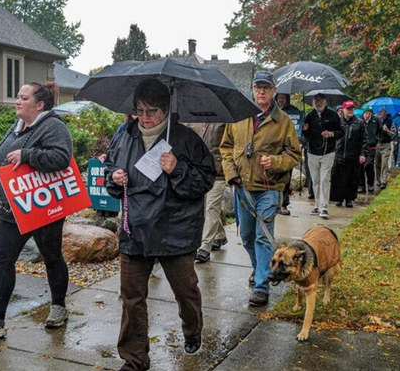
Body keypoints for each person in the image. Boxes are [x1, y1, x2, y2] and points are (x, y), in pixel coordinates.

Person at [104, 78, 215, 370]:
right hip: (134, 229)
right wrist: (114, 178)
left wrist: (177, 168)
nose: (145, 117)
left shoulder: (186, 140)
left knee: (185, 291)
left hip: (174, 230)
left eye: (152, 110)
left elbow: (205, 180)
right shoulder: (123, 135)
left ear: (166, 110)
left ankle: (192, 330)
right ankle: (135, 359)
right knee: (131, 298)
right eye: (140, 110)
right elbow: (109, 173)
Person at [0, 82, 73, 337]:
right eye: (18, 97)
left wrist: (28, 155)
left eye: (23, 98)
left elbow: (61, 158)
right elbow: (4, 153)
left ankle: (58, 307)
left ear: (39, 105)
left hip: (42, 207)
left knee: (52, 257)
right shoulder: (18, 126)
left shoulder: (54, 126)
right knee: (4, 260)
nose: (17, 102)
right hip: (13, 208)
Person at [220, 71, 302, 307]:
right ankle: (260, 269)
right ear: (252, 89)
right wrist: (231, 174)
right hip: (243, 187)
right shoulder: (238, 117)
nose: (262, 92)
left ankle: (261, 286)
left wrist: (275, 162)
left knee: (262, 237)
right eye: (258, 87)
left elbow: (294, 153)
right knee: (246, 236)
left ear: (274, 90)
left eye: (266, 87)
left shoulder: (283, 121)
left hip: (269, 188)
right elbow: (225, 147)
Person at [186, 121, 228, 263]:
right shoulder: (191, 120)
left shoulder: (223, 120)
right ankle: (220, 235)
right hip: (197, 171)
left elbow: (229, 144)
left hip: (218, 171)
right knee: (206, 208)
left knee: (211, 207)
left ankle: (204, 248)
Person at [302, 93, 342, 219]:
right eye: (315, 101)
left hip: (328, 152)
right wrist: (304, 130)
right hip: (312, 152)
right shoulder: (309, 116)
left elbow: (341, 132)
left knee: (325, 179)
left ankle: (324, 207)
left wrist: (331, 134)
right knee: (316, 181)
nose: (318, 103)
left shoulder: (333, 115)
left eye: (320, 100)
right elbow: (305, 136)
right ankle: (317, 204)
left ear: (325, 101)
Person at [331, 101, 367, 207]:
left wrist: (363, 154)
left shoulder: (359, 123)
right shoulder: (338, 122)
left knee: (352, 179)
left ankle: (349, 199)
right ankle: (339, 198)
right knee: (339, 178)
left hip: (353, 155)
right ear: (343, 110)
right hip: (339, 154)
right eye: (348, 109)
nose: (350, 111)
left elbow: (364, 139)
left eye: (352, 109)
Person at [275, 93, 303, 215]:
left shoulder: (294, 112)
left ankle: (284, 204)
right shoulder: (271, 110)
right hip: (273, 150)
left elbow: (298, 130)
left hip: (287, 149)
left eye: (283, 98)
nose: (281, 100)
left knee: (286, 178)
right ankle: (275, 203)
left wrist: (303, 129)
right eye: (279, 97)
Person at [358, 106, 381, 193]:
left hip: (372, 146)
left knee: (369, 164)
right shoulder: (359, 120)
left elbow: (380, 131)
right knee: (360, 166)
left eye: (369, 113)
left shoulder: (376, 120)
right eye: (366, 113)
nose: (368, 115)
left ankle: (370, 184)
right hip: (362, 146)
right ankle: (361, 185)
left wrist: (376, 138)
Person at [375, 108, 395, 189]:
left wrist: (387, 131)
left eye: (381, 112)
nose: (380, 113)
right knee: (377, 163)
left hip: (386, 144)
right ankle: (378, 180)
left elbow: (394, 134)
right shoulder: (376, 121)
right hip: (377, 144)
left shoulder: (390, 121)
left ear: (385, 113)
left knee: (384, 163)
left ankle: (383, 180)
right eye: (379, 111)